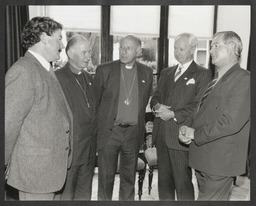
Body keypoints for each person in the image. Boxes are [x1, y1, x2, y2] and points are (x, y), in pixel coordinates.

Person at [5, 16, 73, 201]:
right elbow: (8, 125)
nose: (62, 44)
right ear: (44, 38)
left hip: (50, 172)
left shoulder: (44, 69)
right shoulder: (24, 71)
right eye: (59, 38)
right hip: (35, 174)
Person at [179, 31, 250, 200]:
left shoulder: (244, 79)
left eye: (216, 45)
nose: (211, 50)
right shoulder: (216, 80)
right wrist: (187, 129)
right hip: (203, 159)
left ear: (233, 47)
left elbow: (230, 122)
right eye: (211, 46)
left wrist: (195, 134)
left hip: (219, 162)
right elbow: (201, 113)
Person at [150, 33, 211, 200]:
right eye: (175, 48)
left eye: (181, 48)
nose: (177, 52)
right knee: (164, 183)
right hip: (162, 135)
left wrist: (173, 114)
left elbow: (198, 106)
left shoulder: (202, 74)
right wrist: (157, 106)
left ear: (192, 49)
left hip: (180, 136)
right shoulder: (166, 72)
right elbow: (155, 96)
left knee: (182, 183)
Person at [93, 35, 153, 200]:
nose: (123, 51)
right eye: (121, 47)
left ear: (138, 51)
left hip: (133, 133)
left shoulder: (147, 72)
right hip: (110, 132)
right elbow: (95, 102)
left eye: (128, 48)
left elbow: (144, 102)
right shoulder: (104, 70)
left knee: (128, 179)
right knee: (105, 179)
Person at [55, 34, 96, 200]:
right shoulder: (57, 78)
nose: (89, 57)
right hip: (69, 152)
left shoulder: (88, 77)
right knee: (66, 196)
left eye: (89, 52)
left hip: (88, 151)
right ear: (71, 54)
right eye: (84, 52)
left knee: (84, 196)